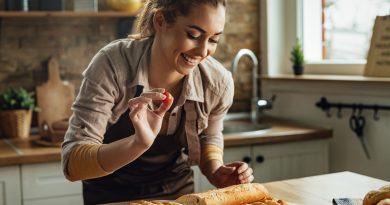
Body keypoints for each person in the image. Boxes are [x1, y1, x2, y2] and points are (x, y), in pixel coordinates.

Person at [61, 0, 254, 204]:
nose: (203, 51)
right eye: (194, 35)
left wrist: (216, 171)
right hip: (110, 196)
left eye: (214, 40)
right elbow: (73, 164)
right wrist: (137, 144)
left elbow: (209, 137)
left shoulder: (217, 82)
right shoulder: (112, 65)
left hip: (176, 194)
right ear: (160, 21)